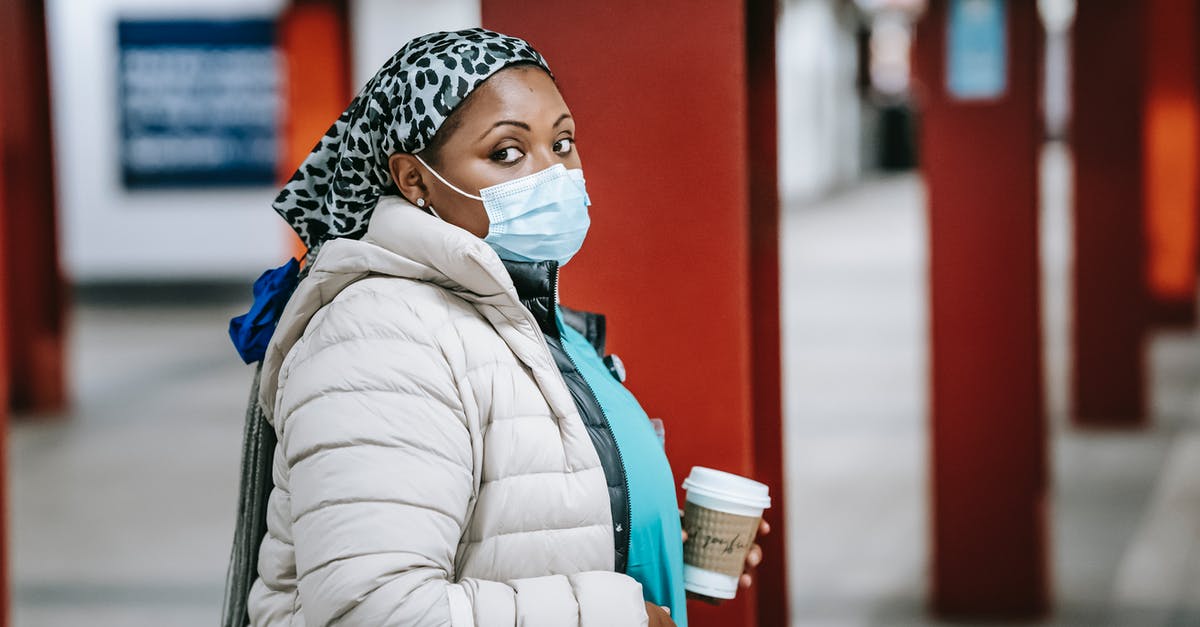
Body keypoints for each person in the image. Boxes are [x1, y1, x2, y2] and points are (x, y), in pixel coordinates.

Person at [239, 28, 765, 627]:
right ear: (415, 181)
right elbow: (374, 610)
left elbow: (521, 521)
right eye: (507, 152)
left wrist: (654, 537)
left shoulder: (528, 320)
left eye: (562, 143)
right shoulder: (381, 337)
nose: (554, 173)